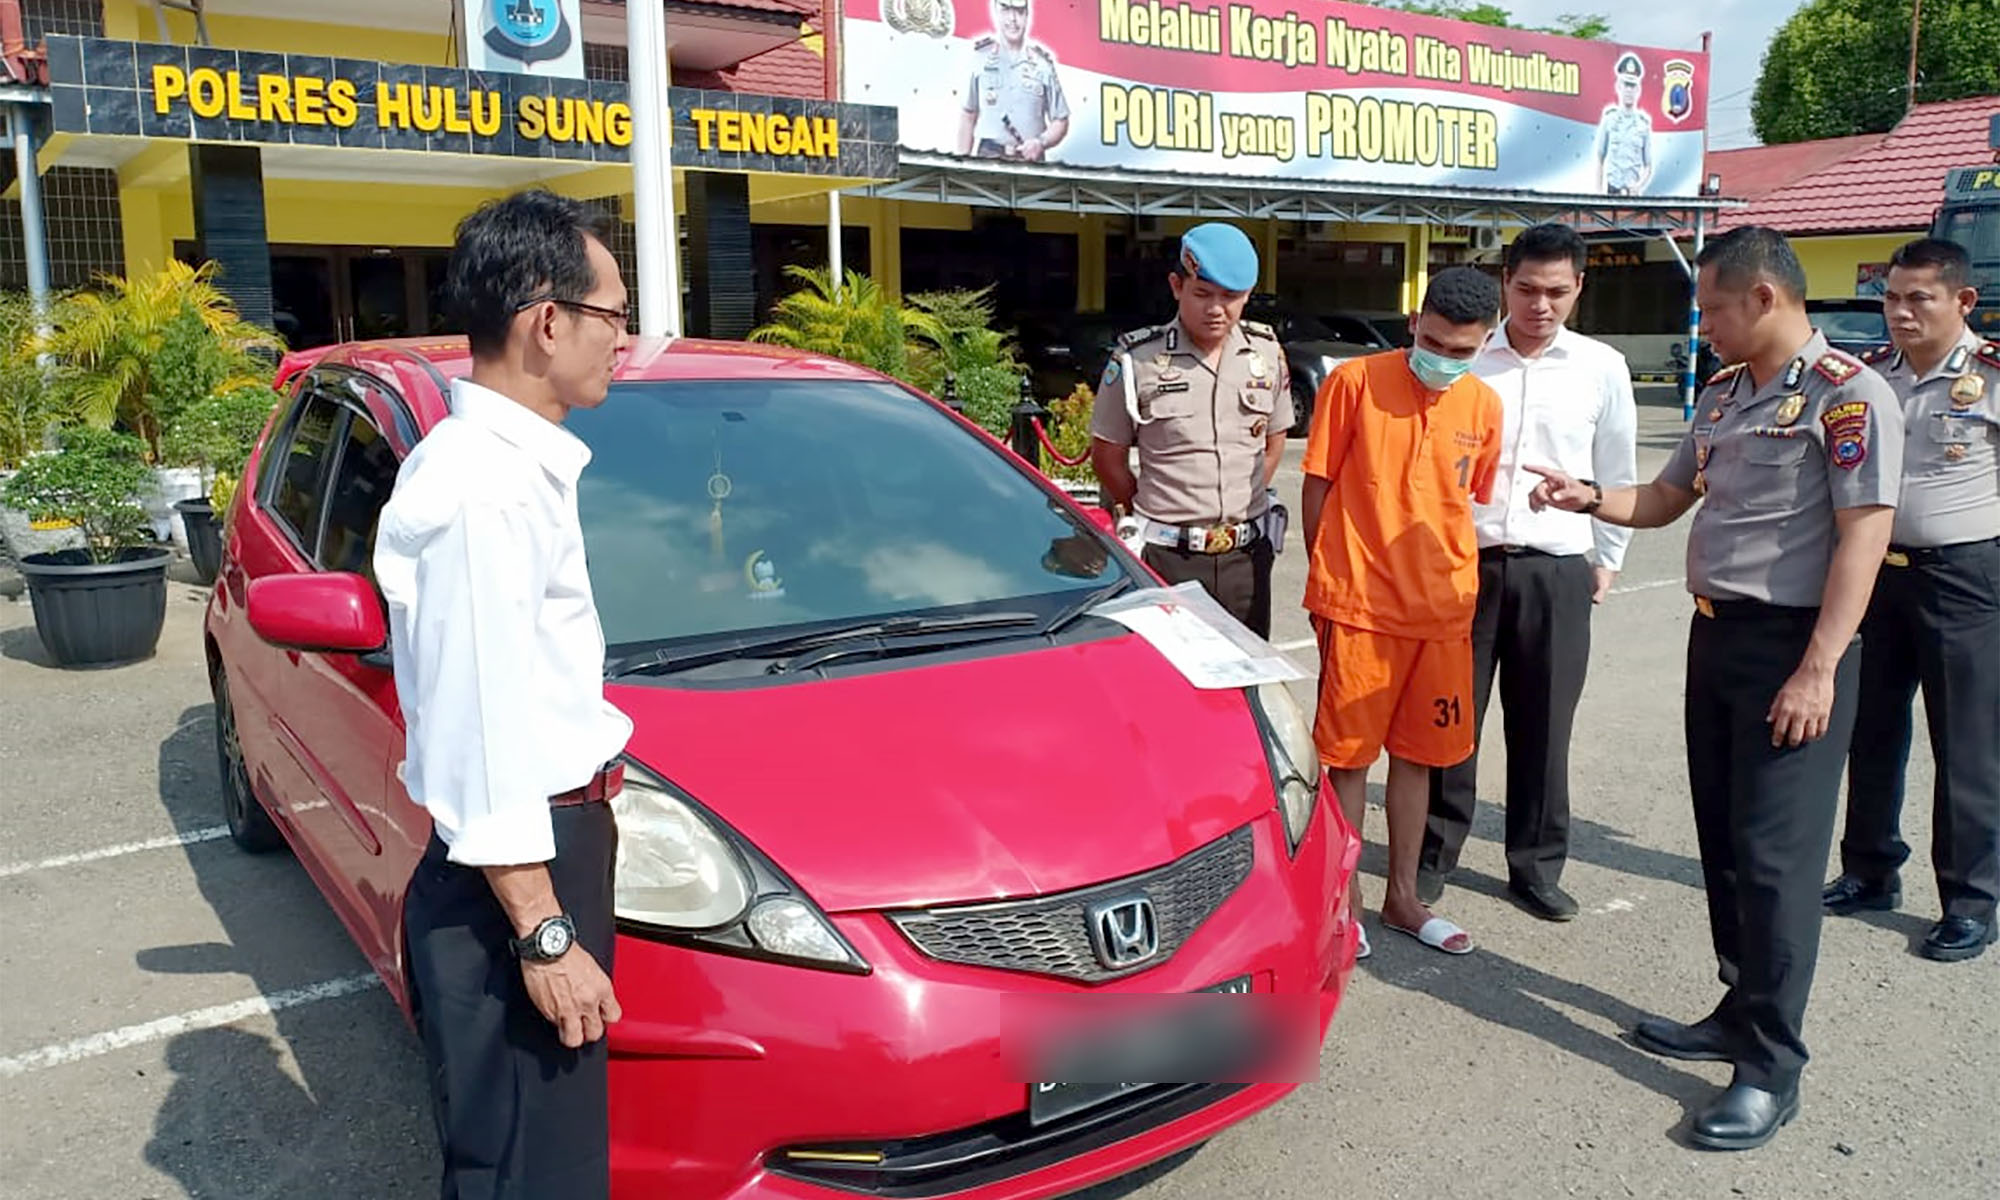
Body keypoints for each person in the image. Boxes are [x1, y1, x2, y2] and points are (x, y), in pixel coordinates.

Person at [1527, 225, 1901, 1151]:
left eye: (1715, 309)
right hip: (1717, 640)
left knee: (1777, 863)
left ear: (1765, 297)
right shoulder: (1727, 393)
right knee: (1728, 845)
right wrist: (1587, 497)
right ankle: (1740, 1009)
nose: (1706, 326)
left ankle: (1772, 1067)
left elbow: (1864, 534)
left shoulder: (1850, 396)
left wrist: (1819, 666)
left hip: (1794, 649)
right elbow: (1663, 499)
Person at [375, 189, 635, 1198]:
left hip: (546, 851)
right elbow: (478, 724)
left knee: (545, 1155)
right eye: (613, 316)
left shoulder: (512, 470)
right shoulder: (482, 488)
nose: (624, 342)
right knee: (531, 1171)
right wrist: (544, 931)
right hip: (516, 877)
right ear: (548, 321)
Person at [1420, 223, 1639, 921]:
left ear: (1579, 288)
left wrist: (1607, 559)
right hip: (1464, 564)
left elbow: (1616, 468)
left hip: (1556, 566)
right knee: (1452, 716)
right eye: (1525, 289)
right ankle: (1434, 853)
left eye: (1556, 291)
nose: (1540, 305)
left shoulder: (1601, 367)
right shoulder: (1466, 355)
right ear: (1504, 282)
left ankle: (1536, 867)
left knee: (1544, 725)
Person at [1301, 265, 1504, 958]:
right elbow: (1318, 485)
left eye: (1461, 350)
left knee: (1419, 759)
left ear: (1485, 342)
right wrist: (1328, 580)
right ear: (1415, 322)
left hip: (1443, 612)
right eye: (1434, 343)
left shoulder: (1484, 406)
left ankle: (1404, 899)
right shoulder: (1353, 382)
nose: (1443, 359)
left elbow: (1462, 500)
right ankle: (1345, 902)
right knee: (1348, 762)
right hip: (1358, 605)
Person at [1822, 237, 2000, 963]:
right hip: (1876, 576)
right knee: (1869, 728)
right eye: (1891, 297)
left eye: (1918, 298)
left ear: (1963, 301)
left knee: (1967, 743)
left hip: (1964, 577)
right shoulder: (1872, 378)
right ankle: (1869, 870)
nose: (1899, 312)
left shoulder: (1990, 375)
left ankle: (1970, 901)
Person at [1090, 222, 1292, 638]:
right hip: (1166, 557)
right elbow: (1108, 456)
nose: (1216, 309)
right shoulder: (1137, 360)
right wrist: (1160, 511)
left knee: (1245, 670)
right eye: (1202, 294)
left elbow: (1273, 442)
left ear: (1248, 295)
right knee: (1167, 673)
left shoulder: (1267, 354)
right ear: (1177, 286)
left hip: (1245, 559)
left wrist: (1243, 500)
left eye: (1230, 297)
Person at [955, 0, 1068, 161]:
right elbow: (968, 115)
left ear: (1027, 15)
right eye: (1006, 10)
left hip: (1031, 162)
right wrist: (961, 165)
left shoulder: (1043, 65)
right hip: (989, 157)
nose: (1013, 19)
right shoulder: (979, 59)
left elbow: (1060, 120)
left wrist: (1041, 142)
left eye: (1019, 11)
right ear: (996, 11)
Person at [1595, 52, 1654, 196]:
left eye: (1632, 86)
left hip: (1633, 194)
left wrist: (1639, 185)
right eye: (1626, 85)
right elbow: (1600, 157)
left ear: (1638, 90)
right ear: (1618, 86)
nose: (1629, 90)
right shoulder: (1609, 119)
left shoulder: (1643, 124)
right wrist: (1598, 192)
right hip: (1612, 191)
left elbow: (1648, 166)